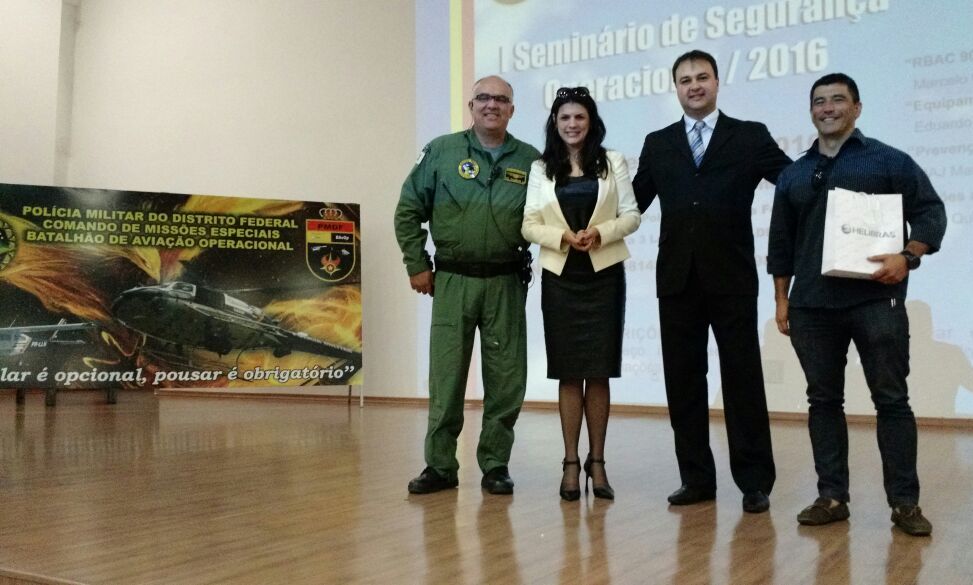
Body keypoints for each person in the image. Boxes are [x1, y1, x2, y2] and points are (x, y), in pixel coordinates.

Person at [767, 73, 947, 536]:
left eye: (837, 100)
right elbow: (780, 243)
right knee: (822, 400)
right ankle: (831, 497)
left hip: (876, 300)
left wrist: (908, 256)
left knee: (892, 400)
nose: (827, 108)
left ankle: (905, 503)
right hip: (811, 306)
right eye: (819, 102)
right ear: (811, 111)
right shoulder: (794, 173)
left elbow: (931, 211)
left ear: (857, 108)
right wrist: (782, 300)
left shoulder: (889, 160)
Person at [632, 49, 790, 513]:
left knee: (742, 379)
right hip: (676, 279)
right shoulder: (658, 142)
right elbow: (631, 204)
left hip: (732, 276)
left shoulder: (749, 136)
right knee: (683, 381)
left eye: (702, 77)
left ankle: (755, 482)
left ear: (717, 83)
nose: (694, 86)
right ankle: (696, 478)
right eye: (685, 80)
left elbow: (792, 179)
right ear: (676, 88)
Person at [394, 75, 540, 495]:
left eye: (501, 99)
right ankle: (440, 465)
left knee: (506, 377)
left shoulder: (531, 160)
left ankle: (495, 464)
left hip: (506, 282)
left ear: (512, 109)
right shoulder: (441, 151)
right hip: (453, 281)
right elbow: (408, 209)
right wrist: (416, 263)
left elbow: (548, 217)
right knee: (446, 375)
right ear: (471, 106)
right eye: (483, 98)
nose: (492, 105)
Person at [521, 87, 641, 501]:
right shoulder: (541, 168)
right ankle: (571, 463)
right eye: (565, 118)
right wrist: (562, 237)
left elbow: (632, 215)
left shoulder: (612, 162)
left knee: (600, 371)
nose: (572, 124)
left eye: (579, 117)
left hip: (603, 277)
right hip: (561, 278)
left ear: (591, 122)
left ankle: (598, 462)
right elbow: (528, 224)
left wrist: (601, 232)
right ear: (555, 124)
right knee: (569, 371)